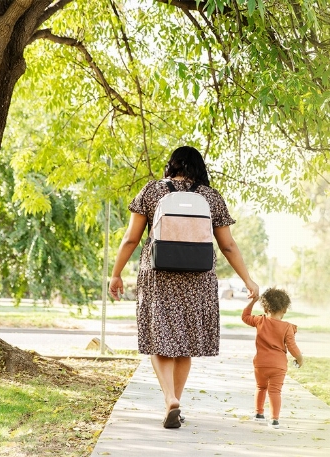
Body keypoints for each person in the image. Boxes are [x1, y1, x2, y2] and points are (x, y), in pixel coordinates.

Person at [109, 145, 259, 429]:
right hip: (198, 277)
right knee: (185, 341)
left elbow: (131, 238)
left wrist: (116, 274)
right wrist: (247, 280)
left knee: (159, 338)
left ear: (172, 165)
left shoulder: (152, 191)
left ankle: (169, 400)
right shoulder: (211, 197)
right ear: (199, 168)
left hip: (157, 274)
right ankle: (176, 399)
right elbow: (227, 245)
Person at [242, 288, 304, 429]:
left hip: (260, 364)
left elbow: (245, 316)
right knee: (275, 391)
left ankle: (259, 414)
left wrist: (252, 301)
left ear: (265, 308)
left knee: (260, 387)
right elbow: (292, 347)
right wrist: (300, 359)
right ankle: (274, 420)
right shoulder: (287, 327)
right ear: (285, 310)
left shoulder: (260, 321)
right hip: (278, 366)